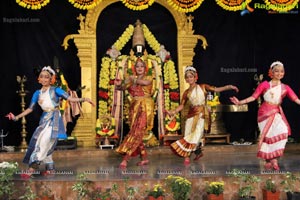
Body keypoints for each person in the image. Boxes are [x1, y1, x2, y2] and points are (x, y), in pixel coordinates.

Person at [6, 66, 95, 178]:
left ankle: (32, 168)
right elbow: (30, 109)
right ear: (39, 79)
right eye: (42, 77)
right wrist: (16, 117)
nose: (44, 79)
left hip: (55, 119)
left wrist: (84, 99)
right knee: (43, 142)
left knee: (44, 142)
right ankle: (50, 168)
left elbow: (70, 99)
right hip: (44, 120)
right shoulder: (37, 93)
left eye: (46, 77)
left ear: (51, 79)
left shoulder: (55, 90)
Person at [230, 61, 300, 170]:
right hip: (264, 113)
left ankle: (273, 158)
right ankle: (271, 160)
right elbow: (253, 97)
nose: (279, 73)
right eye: (276, 71)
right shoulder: (265, 84)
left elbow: (296, 100)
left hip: (276, 112)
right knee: (268, 136)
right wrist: (240, 102)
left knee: (283, 131)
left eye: (281, 71)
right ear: (271, 72)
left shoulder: (285, 87)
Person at [166, 66, 239, 165]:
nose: (189, 79)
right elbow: (182, 105)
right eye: (187, 77)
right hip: (191, 116)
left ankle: (186, 157)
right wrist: (173, 112)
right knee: (188, 135)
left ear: (195, 77)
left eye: (191, 76)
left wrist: (229, 87)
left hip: (201, 115)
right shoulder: (186, 92)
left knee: (196, 135)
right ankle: (198, 152)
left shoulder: (203, 87)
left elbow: (216, 89)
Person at [114, 58, 153, 168]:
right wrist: (118, 85)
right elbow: (122, 88)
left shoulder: (148, 77)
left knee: (137, 131)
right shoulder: (131, 79)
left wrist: (132, 79)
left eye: (141, 66)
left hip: (145, 106)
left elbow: (145, 83)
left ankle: (126, 159)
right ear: (134, 68)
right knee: (135, 132)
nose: (139, 68)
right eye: (137, 66)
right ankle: (144, 158)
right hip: (134, 108)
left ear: (145, 68)